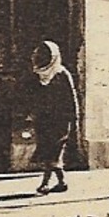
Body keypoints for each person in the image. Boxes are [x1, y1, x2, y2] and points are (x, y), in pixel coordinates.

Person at [30, 40, 79, 195]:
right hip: (43, 119)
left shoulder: (62, 74)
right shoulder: (37, 75)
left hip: (60, 120)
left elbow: (72, 97)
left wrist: (74, 117)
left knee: (53, 151)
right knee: (46, 149)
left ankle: (45, 183)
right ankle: (61, 181)